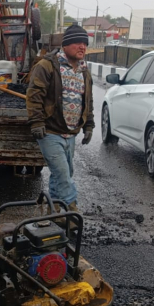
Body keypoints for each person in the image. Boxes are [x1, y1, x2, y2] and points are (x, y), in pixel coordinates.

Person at [26, 24, 95, 212]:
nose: (82, 47)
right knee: (63, 174)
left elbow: (87, 100)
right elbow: (34, 95)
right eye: (77, 43)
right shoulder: (47, 66)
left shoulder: (84, 70)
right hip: (50, 131)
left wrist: (88, 125)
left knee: (61, 174)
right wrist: (37, 122)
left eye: (85, 43)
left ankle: (54, 212)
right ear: (66, 45)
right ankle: (72, 212)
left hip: (70, 133)